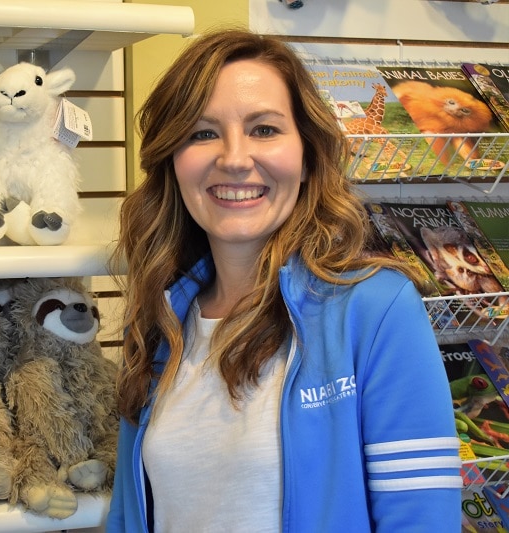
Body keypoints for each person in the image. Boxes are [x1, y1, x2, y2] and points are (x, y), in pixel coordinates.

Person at [106, 27, 461, 532]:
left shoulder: (376, 310)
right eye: (202, 133)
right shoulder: (157, 323)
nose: (233, 158)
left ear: (307, 153)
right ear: (173, 161)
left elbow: (422, 520)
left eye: (264, 129)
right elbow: (128, 516)